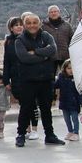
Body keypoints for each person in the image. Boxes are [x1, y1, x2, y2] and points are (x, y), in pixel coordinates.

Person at [11, 12, 63, 147]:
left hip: (46, 79)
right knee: (26, 108)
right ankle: (21, 134)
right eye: (28, 23)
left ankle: (49, 135)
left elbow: (52, 50)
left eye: (35, 22)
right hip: (28, 80)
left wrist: (35, 51)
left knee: (46, 108)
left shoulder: (47, 36)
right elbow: (24, 58)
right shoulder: (20, 40)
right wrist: (43, 54)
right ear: (24, 25)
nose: (32, 25)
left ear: (39, 23)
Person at [55, 58, 82, 142]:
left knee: (74, 118)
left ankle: (76, 133)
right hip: (64, 101)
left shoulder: (77, 78)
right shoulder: (61, 77)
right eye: (69, 68)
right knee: (66, 118)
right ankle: (70, 131)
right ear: (65, 69)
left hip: (74, 102)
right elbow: (56, 85)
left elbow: (81, 91)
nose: (71, 70)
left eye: (72, 68)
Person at [45, 5, 74, 72]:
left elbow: (72, 39)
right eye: (51, 12)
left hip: (65, 56)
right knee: (50, 77)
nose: (53, 13)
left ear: (59, 13)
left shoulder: (67, 25)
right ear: (48, 14)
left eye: (55, 11)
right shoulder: (43, 26)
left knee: (66, 76)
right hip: (50, 57)